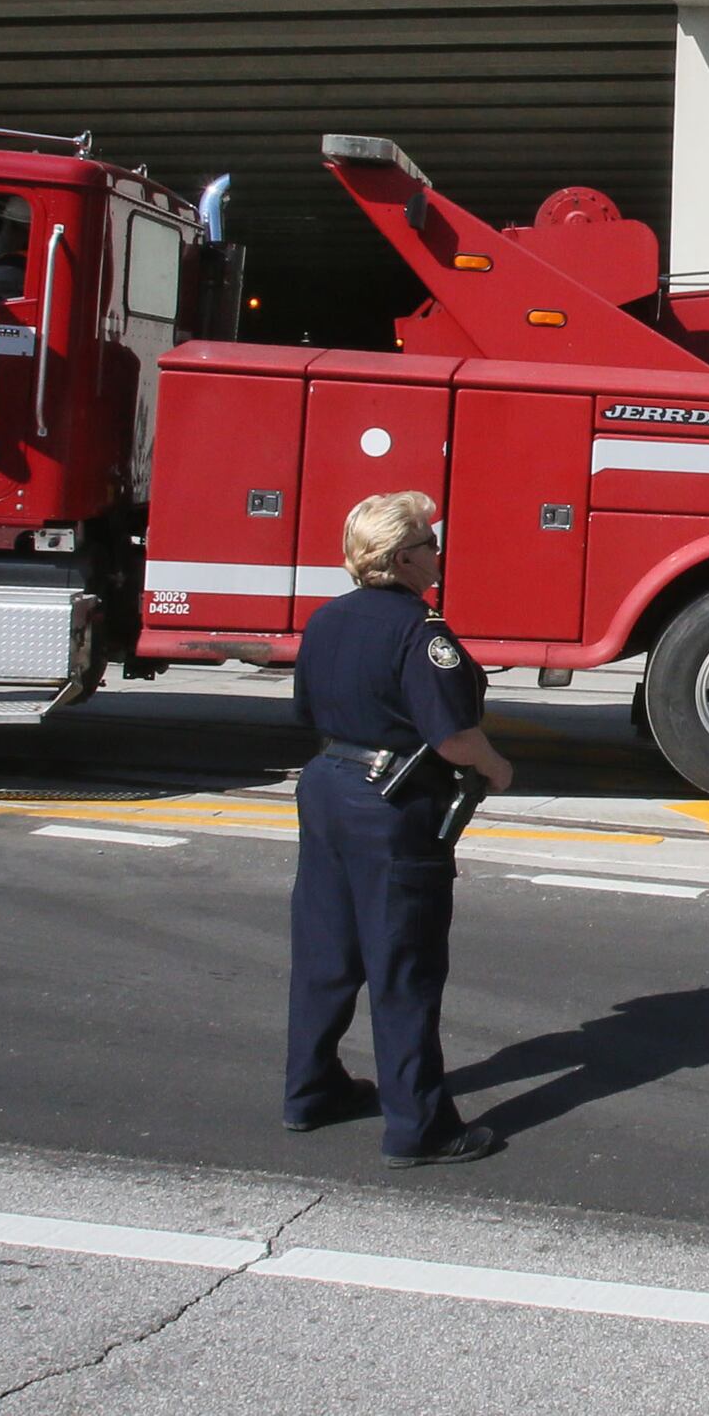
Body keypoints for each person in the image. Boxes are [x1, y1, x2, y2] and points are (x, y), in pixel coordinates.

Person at [284, 490, 515, 1166]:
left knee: (326, 951)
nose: (438, 554)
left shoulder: (325, 619)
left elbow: (305, 708)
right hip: (388, 803)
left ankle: (311, 1089)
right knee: (403, 964)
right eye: (430, 544)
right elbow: (453, 736)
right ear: (403, 557)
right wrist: (497, 768)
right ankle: (419, 1126)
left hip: (326, 783)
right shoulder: (422, 631)